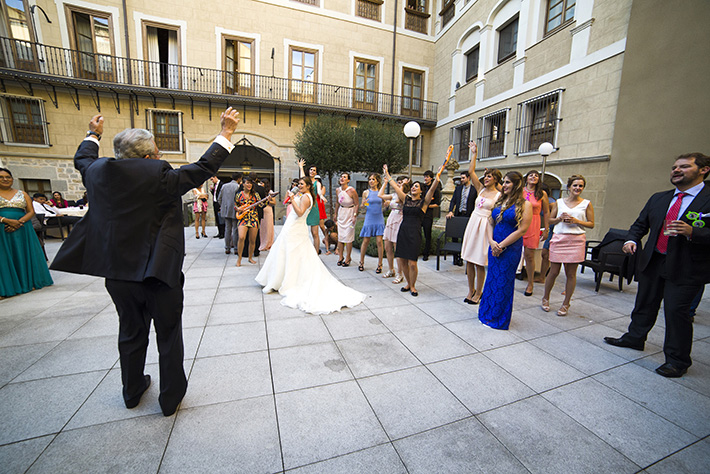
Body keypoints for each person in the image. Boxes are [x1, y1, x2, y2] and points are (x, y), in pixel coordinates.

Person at [50, 107, 240, 415]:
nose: (160, 155)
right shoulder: (160, 176)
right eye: (157, 151)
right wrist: (227, 132)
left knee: (130, 332)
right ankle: (169, 399)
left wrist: (93, 134)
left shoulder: (96, 172)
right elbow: (204, 167)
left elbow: (82, 159)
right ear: (149, 156)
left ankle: (132, 391)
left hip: (118, 274)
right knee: (168, 335)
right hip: (158, 273)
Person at [604, 153, 710, 378]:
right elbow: (639, 225)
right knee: (644, 303)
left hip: (686, 267)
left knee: (676, 312)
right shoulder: (659, 198)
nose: (676, 170)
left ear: (704, 170)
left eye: (684, 166)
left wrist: (694, 232)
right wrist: (632, 240)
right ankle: (635, 338)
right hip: (654, 260)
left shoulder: (707, 198)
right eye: (674, 167)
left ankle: (677, 360)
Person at [255, 176, 365, 314]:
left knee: (291, 252)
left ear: (308, 186)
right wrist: (293, 197)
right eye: (299, 184)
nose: (299, 186)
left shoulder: (306, 197)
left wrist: (292, 199)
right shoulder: (304, 195)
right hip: (293, 226)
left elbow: (300, 213)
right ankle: (280, 278)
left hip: (295, 227)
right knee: (287, 252)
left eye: (302, 184)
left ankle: (288, 280)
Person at [478, 171, 532, 330]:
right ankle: (486, 313)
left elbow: (522, 230)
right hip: (494, 246)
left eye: (507, 182)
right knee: (492, 279)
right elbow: (490, 222)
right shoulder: (500, 200)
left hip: (510, 249)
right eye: (504, 182)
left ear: (516, 185)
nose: (504, 185)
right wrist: (491, 241)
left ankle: (499, 318)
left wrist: (501, 245)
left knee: (503, 282)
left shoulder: (525, 204)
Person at [383, 162, 444, 297]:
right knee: (403, 261)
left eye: (416, 186)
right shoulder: (406, 199)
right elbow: (394, 186)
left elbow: (432, 189)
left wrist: (438, 176)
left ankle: (413, 286)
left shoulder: (424, 202)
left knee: (412, 263)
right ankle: (408, 284)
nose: (413, 188)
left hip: (414, 233)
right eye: (413, 186)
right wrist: (387, 174)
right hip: (403, 231)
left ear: (421, 191)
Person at [541, 175, 595, 316]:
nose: (578, 188)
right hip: (559, 238)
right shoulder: (559, 202)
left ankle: (566, 303)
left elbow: (591, 224)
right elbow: (550, 220)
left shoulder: (586, 204)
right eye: (575, 185)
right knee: (553, 271)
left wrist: (577, 221)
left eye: (580, 186)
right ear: (569, 187)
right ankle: (545, 298)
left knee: (571, 274)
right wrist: (559, 219)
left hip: (576, 240)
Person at [0, 168, 53, 299]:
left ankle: (28, 282)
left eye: (8, 177)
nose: (5, 179)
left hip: (23, 227)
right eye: (1, 177)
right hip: (2, 228)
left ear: (12, 179)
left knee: (23, 252)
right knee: (4, 256)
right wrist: (6, 220)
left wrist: (18, 222)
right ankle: (8, 286)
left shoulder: (22, 193)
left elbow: (31, 211)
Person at [460, 141, 502, 305]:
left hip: (485, 226)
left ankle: (479, 292)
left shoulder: (499, 195)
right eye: (486, 176)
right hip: (473, 222)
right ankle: (470, 290)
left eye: (490, 176)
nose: (486, 178)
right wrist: (474, 153)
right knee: (469, 260)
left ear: (496, 179)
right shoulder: (480, 189)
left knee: (479, 261)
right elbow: (471, 171)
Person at [521, 170, 550, 296]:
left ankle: (530, 283)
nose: (533, 177)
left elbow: (547, 212)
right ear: (526, 178)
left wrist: (546, 229)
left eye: (536, 175)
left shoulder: (542, 193)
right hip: (519, 223)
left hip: (533, 224)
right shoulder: (520, 191)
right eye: (531, 175)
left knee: (529, 255)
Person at [379, 175, 409, 282]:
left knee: (397, 249)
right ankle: (391, 269)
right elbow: (380, 195)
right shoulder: (393, 195)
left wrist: (403, 187)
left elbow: (400, 200)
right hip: (391, 219)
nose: (399, 184)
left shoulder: (405, 196)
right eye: (398, 182)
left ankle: (400, 273)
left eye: (402, 182)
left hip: (399, 220)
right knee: (387, 247)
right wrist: (385, 182)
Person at [447, 170, 478, 266]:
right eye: (461, 178)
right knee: (455, 236)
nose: (461, 180)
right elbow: (453, 201)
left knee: (464, 237)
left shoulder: (474, 190)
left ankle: (461, 257)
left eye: (463, 178)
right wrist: (451, 211)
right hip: (458, 214)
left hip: (468, 216)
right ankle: (455, 257)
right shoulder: (458, 189)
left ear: (469, 178)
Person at [358, 173, 385, 273]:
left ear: (377, 181)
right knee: (366, 241)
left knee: (379, 242)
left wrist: (387, 203)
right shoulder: (366, 192)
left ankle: (380, 264)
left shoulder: (381, 192)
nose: (371, 181)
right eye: (370, 179)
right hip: (369, 218)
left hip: (379, 218)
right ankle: (361, 262)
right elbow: (363, 206)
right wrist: (364, 203)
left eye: (373, 179)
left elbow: (384, 204)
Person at [235, 176, 263, 266]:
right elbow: (235, 205)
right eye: (247, 183)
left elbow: (261, 204)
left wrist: (268, 199)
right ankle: (239, 258)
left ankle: (250, 257)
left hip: (253, 218)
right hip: (243, 218)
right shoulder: (239, 194)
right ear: (243, 184)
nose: (249, 185)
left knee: (252, 240)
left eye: (250, 183)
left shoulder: (255, 194)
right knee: (241, 237)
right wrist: (238, 209)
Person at [298, 159, 324, 254]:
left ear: (316, 173)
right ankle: (303, 251)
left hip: (314, 208)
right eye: (311, 170)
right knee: (302, 232)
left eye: (314, 170)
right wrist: (301, 167)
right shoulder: (305, 181)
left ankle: (316, 252)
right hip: (305, 207)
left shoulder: (317, 183)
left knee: (315, 233)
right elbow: (302, 177)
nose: (312, 171)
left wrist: (322, 196)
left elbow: (319, 192)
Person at [335, 172, 359, 267]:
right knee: (340, 237)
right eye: (341, 177)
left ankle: (348, 257)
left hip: (350, 213)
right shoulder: (338, 190)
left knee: (348, 237)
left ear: (348, 180)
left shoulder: (352, 190)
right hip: (341, 213)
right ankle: (340, 257)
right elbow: (337, 203)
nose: (342, 178)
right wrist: (335, 214)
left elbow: (357, 204)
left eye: (344, 177)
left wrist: (354, 215)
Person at [421, 169, 441, 261]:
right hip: (420, 214)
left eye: (427, 177)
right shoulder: (422, 187)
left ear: (431, 178)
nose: (425, 178)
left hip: (428, 215)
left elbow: (437, 204)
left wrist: (427, 206)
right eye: (425, 177)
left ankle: (426, 253)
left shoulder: (435, 190)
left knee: (427, 234)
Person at [219, 172, 241, 254]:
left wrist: (223, 206)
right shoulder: (238, 187)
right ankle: (236, 248)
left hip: (225, 210)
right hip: (235, 210)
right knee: (235, 230)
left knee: (227, 229)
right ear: (239, 178)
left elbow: (219, 198)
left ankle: (227, 248)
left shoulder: (224, 186)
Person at [538, 182, 556, 283]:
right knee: (545, 254)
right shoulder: (540, 201)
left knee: (547, 254)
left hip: (554, 230)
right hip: (549, 229)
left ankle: (545, 276)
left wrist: (547, 229)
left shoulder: (551, 203)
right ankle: (542, 277)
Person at [259, 178, 276, 252]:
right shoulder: (259, 191)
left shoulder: (270, 192)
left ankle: (268, 243)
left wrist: (268, 200)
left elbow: (274, 202)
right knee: (262, 227)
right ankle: (262, 242)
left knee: (268, 227)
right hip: (262, 210)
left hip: (268, 210)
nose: (260, 184)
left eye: (262, 183)